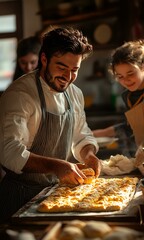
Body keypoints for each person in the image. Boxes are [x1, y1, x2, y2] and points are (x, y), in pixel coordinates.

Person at [0, 27, 101, 221]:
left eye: (74, 70)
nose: (68, 77)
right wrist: (56, 166)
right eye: (62, 68)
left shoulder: (75, 94)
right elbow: (8, 151)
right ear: (44, 59)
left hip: (55, 194)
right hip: (19, 197)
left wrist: (89, 155)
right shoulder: (20, 95)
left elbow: (81, 134)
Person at [93, 39, 144, 157]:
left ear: (142, 67)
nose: (126, 80)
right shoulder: (128, 96)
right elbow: (130, 127)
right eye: (120, 76)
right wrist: (94, 134)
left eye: (130, 74)